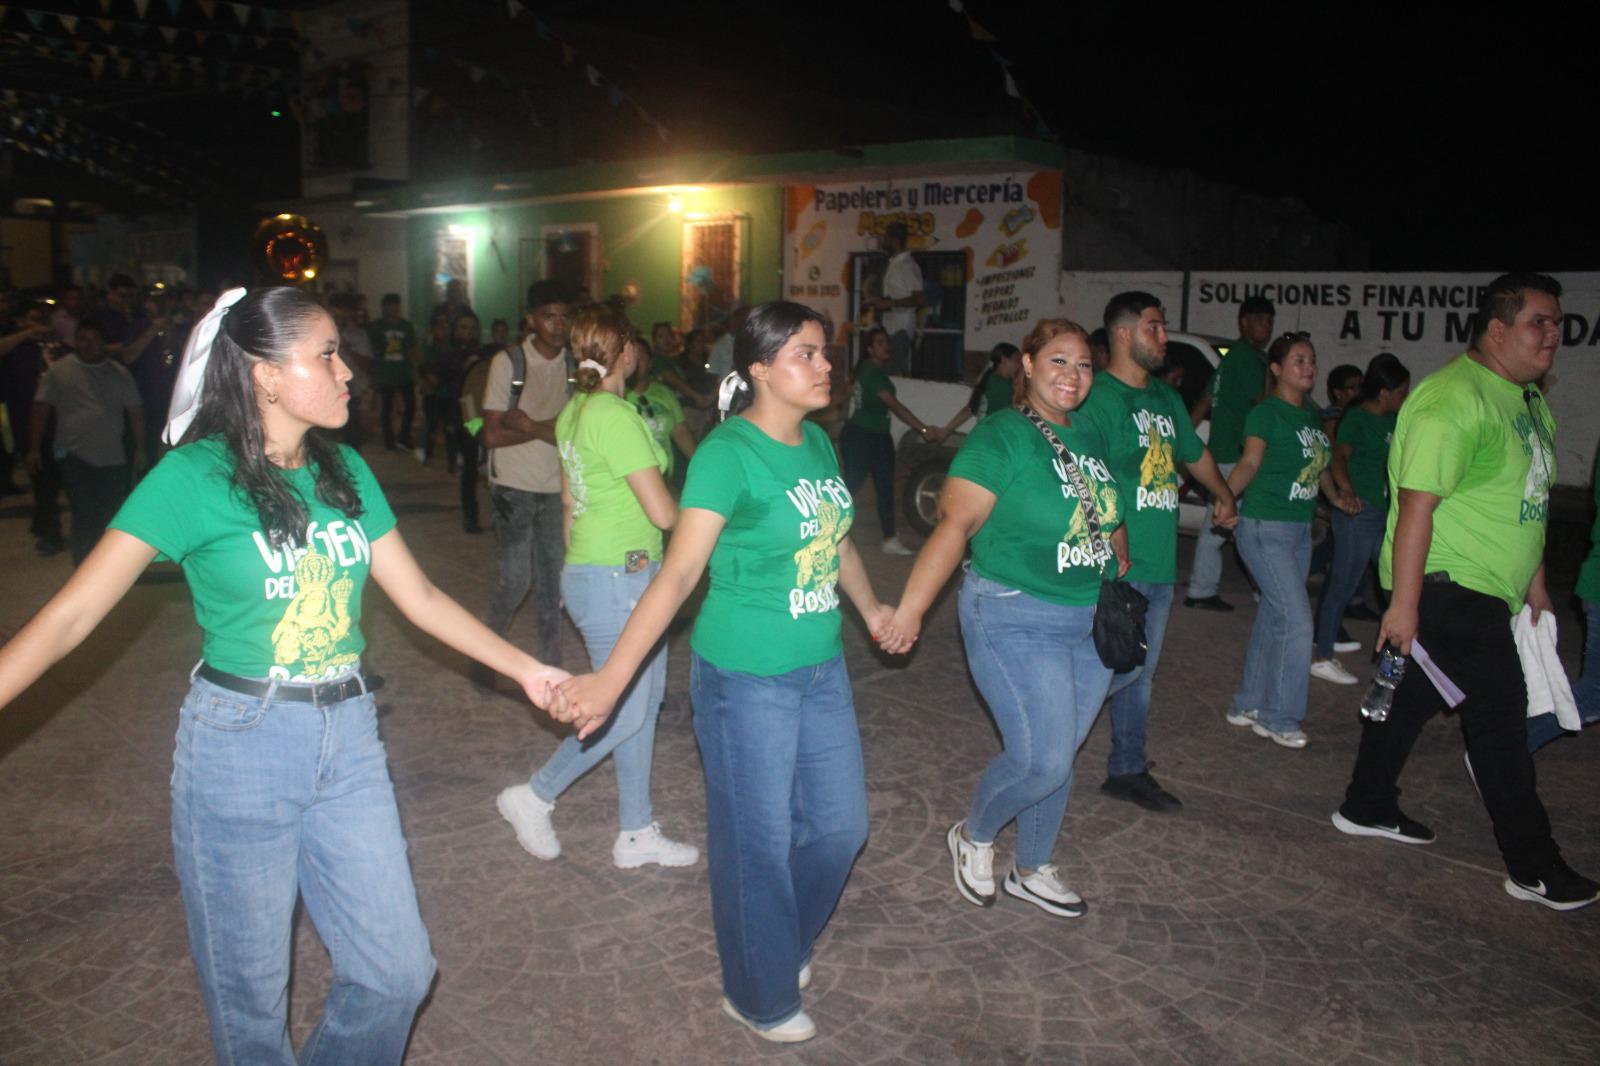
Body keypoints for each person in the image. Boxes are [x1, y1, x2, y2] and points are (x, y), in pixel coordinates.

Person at [0, 286, 571, 1064]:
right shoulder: (193, 478)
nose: (349, 373)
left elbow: (421, 596)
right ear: (265, 374)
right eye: (327, 354)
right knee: (251, 1006)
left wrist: (528, 670)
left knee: (399, 971)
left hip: (350, 738)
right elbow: (68, 619)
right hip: (241, 744)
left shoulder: (346, 472)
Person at [556, 301, 895, 1043]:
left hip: (820, 669)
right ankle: (756, 992)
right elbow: (677, 578)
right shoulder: (725, 454)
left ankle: (776, 944)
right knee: (757, 842)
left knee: (840, 829)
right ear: (760, 370)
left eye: (825, 352)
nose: (826, 365)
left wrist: (871, 610)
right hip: (745, 678)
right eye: (807, 354)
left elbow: (835, 542)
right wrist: (613, 679)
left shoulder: (818, 446)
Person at [1334, 272, 1599, 911]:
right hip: (1448, 585)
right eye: (1540, 321)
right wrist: (1402, 605)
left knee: (1410, 697)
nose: (1554, 334)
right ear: (1498, 328)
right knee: (1501, 721)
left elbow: (1524, 503)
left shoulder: (1527, 401)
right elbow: (1418, 505)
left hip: (1489, 589)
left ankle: (1366, 803)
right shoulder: (1452, 398)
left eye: (1558, 322)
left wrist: (1535, 584)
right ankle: (1535, 867)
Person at [883, 319, 1129, 920]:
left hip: (1088, 618)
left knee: (1061, 754)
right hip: (1015, 613)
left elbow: (1107, 507)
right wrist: (911, 609)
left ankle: (1033, 867)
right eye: (1058, 361)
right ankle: (975, 834)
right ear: (1027, 364)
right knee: (1040, 758)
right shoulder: (1003, 435)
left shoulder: (1089, 434)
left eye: (1084, 365)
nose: (1073, 375)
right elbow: (954, 524)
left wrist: (1118, 554)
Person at [497, 307, 698, 868]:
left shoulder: (574, 412)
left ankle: (635, 832)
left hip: (604, 572)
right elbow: (662, 513)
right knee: (626, 710)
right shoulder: (614, 415)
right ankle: (534, 795)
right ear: (627, 354)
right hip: (619, 578)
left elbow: (568, 503)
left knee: (644, 703)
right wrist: (708, 519)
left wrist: (570, 574)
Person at [1074, 293, 1239, 811]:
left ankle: (1125, 768)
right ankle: (1046, 753)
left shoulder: (1165, 401)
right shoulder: (1095, 398)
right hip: (1113, 566)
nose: (1164, 338)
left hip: (1160, 564)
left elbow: (1193, 454)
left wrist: (1224, 493)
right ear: (1124, 334)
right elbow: (1080, 477)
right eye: (1155, 328)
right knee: (1103, 672)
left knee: (1138, 675)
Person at [1222, 332, 1359, 748]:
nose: (1308, 367)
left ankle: (1247, 703)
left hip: (1299, 533)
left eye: (1312, 360)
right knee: (1299, 622)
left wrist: (1338, 497)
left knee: (1275, 618)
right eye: (1299, 360)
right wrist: (1226, 497)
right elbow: (1250, 461)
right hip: (1265, 529)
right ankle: (1279, 716)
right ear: (1277, 369)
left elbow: (1319, 469)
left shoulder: (1311, 418)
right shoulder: (1267, 414)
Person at [480, 281, 574, 674]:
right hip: (513, 485)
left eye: (565, 316)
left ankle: (549, 661)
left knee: (553, 581)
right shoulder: (509, 362)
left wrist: (530, 426)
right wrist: (548, 429)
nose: (558, 324)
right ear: (531, 319)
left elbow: (575, 434)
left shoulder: (576, 367)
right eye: (549, 316)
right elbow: (492, 434)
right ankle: (487, 651)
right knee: (516, 580)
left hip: (557, 488)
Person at [1311, 354, 1410, 684]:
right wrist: (1346, 491)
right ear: (1384, 392)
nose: (1404, 398)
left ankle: (1391, 661)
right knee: (1343, 584)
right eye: (1400, 392)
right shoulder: (1356, 419)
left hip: (1385, 513)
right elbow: (1337, 455)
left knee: (1396, 589)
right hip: (1359, 513)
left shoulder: (1394, 421)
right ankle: (1323, 655)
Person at [29, 321, 146, 564]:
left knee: (110, 514)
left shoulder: (119, 373)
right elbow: (41, 410)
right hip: (73, 455)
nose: (87, 345)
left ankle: (108, 565)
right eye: (82, 338)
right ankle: (83, 565)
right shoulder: (60, 371)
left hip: (113, 457)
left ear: (103, 343)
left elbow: (136, 412)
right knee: (83, 513)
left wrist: (141, 449)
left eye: (93, 339)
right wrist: (33, 448)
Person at [1185, 295, 1275, 611]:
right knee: (1240, 524)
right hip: (1237, 455)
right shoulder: (1248, 359)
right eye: (1260, 320)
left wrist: (1184, 441)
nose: (1266, 327)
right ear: (1243, 322)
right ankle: (1212, 590)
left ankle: (1202, 589)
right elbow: (1262, 404)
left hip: (1222, 453)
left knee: (1221, 523)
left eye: (1269, 321)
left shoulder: (1232, 358)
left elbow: (1203, 402)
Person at [841, 326, 942, 556]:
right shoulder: (870, 372)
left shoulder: (870, 370)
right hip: (863, 435)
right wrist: (923, 428)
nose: (885, 346)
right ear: (869, 349)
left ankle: (889, 538)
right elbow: (893, 405)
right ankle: (828, 529)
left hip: (873, 434)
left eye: (886, 342)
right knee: (852, 485)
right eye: (879, 343)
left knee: (884, 487)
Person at [1, 302, 64, 551]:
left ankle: (49, 529)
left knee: (48, 479)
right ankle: (45, 525)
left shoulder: (53, 345)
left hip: (54, 422)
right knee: (39, 476)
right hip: (22, 419)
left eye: (41, 319)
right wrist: (26, 334)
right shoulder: (16, 346)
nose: (37, 325)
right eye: (31, 319)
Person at [626, 333, 698, 485]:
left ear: (651, 363)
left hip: (664, 478)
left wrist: (702, 463)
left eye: (641, 357)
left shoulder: (664, 393)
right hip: (630, 483)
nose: (636, 362)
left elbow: (681, 432)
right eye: (633, 357)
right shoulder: (618, 396)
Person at [863, 223, 923, 375]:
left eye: (885, 239)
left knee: (896, 373)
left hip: (900, 329)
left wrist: (889, 303)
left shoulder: (907, 265)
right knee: (888, 372)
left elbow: (919, 298)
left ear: (895, 241)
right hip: (890, 328)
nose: (882, 242)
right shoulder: (894, 264)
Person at [367, 293, 419, 452]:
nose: (394, 308)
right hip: (385, 373)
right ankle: (389, 441)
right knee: (386, 410)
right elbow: (372, 349)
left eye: (396, 305)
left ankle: (404, 436)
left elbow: (412, 349)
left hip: (403, 372)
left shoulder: (406, 326)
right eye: (390, 305)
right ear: (384, 307)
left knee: (411, 405)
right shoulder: (377, 326)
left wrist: (416, 369)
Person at [938, 342, 1022, 436]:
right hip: (995, 434)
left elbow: (970, 408)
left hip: (985, 432)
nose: (1019, 365)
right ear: (1004, 360)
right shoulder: (999, 384)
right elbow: (1015, 410)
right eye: (1017, 360)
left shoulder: (990, 378)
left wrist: (946, 430)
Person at [418, 312, 452, 465]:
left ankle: (453, 458)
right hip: (432, 393)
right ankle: (427, 453)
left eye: (445, 327)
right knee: (431, 424)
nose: (442, 330)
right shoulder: (429, 349)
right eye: (439, 327)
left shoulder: (452, 348)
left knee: (450, 426)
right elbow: (424, 369)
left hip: (448, 393)